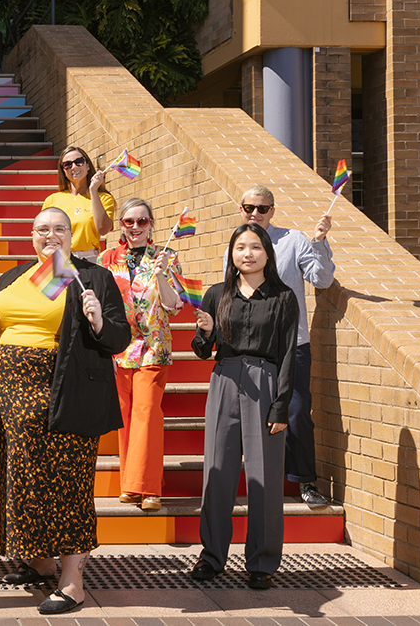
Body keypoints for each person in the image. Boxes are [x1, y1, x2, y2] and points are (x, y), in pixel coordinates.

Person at [0, 207, 130, 615]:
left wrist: (98, 322)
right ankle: (40, 559)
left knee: (67, 483)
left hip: (63, 393)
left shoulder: (92, 277)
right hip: (9, 396)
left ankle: (73, 581)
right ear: (31, 235)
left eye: (59, 228)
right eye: (42, 229)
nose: (50, 236)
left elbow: (119, 337)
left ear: (72, 234)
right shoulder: (15, 276)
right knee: (22, 477)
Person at [190, 222, 298, 591]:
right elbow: (203, 351)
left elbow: (287, 354)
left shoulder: (283, 297)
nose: (247, 253)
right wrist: (205, 333)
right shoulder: (217, 294)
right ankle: (212, 556)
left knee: (265, 477)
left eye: (255, 246)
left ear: (268, 252)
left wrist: (281, 405)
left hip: (266, 383)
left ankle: (262, 561)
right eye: (240, 247)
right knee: (217, 471)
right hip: (225, 379)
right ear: (232, 254)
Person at [239, 185, 335, 509]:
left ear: (272, 211)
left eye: (261, 208)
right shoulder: (239, 245)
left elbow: (321, 280)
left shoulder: (293, 241)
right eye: (248, 207)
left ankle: (306, 482)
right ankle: (260, 484)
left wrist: (320, 243)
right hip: (252, 346)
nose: (254, 214)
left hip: (293, 345)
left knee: (296, 412)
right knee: (255, 415)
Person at [98, 198, 182, 512]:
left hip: (154, 348)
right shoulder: (107, 258)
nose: (135, 227)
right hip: (119, 348)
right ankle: (134, 484)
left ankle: (145, 489)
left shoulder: (167, 256)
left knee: (147, 415)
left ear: (151, 225)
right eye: (129, 222)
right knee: (127, 419)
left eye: (142, 221)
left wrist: (160, 274)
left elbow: (175, 305)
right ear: (121, 225)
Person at [42, 146, 115, 262]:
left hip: (88, 260)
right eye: (68, 165)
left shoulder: (104, 198)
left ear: (88, 165)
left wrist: (93, 191)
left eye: (79, 162)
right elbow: (42, 235)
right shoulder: (51, 200)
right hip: (59, 259)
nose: (74, 167)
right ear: (63, 171)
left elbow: (103, 229)